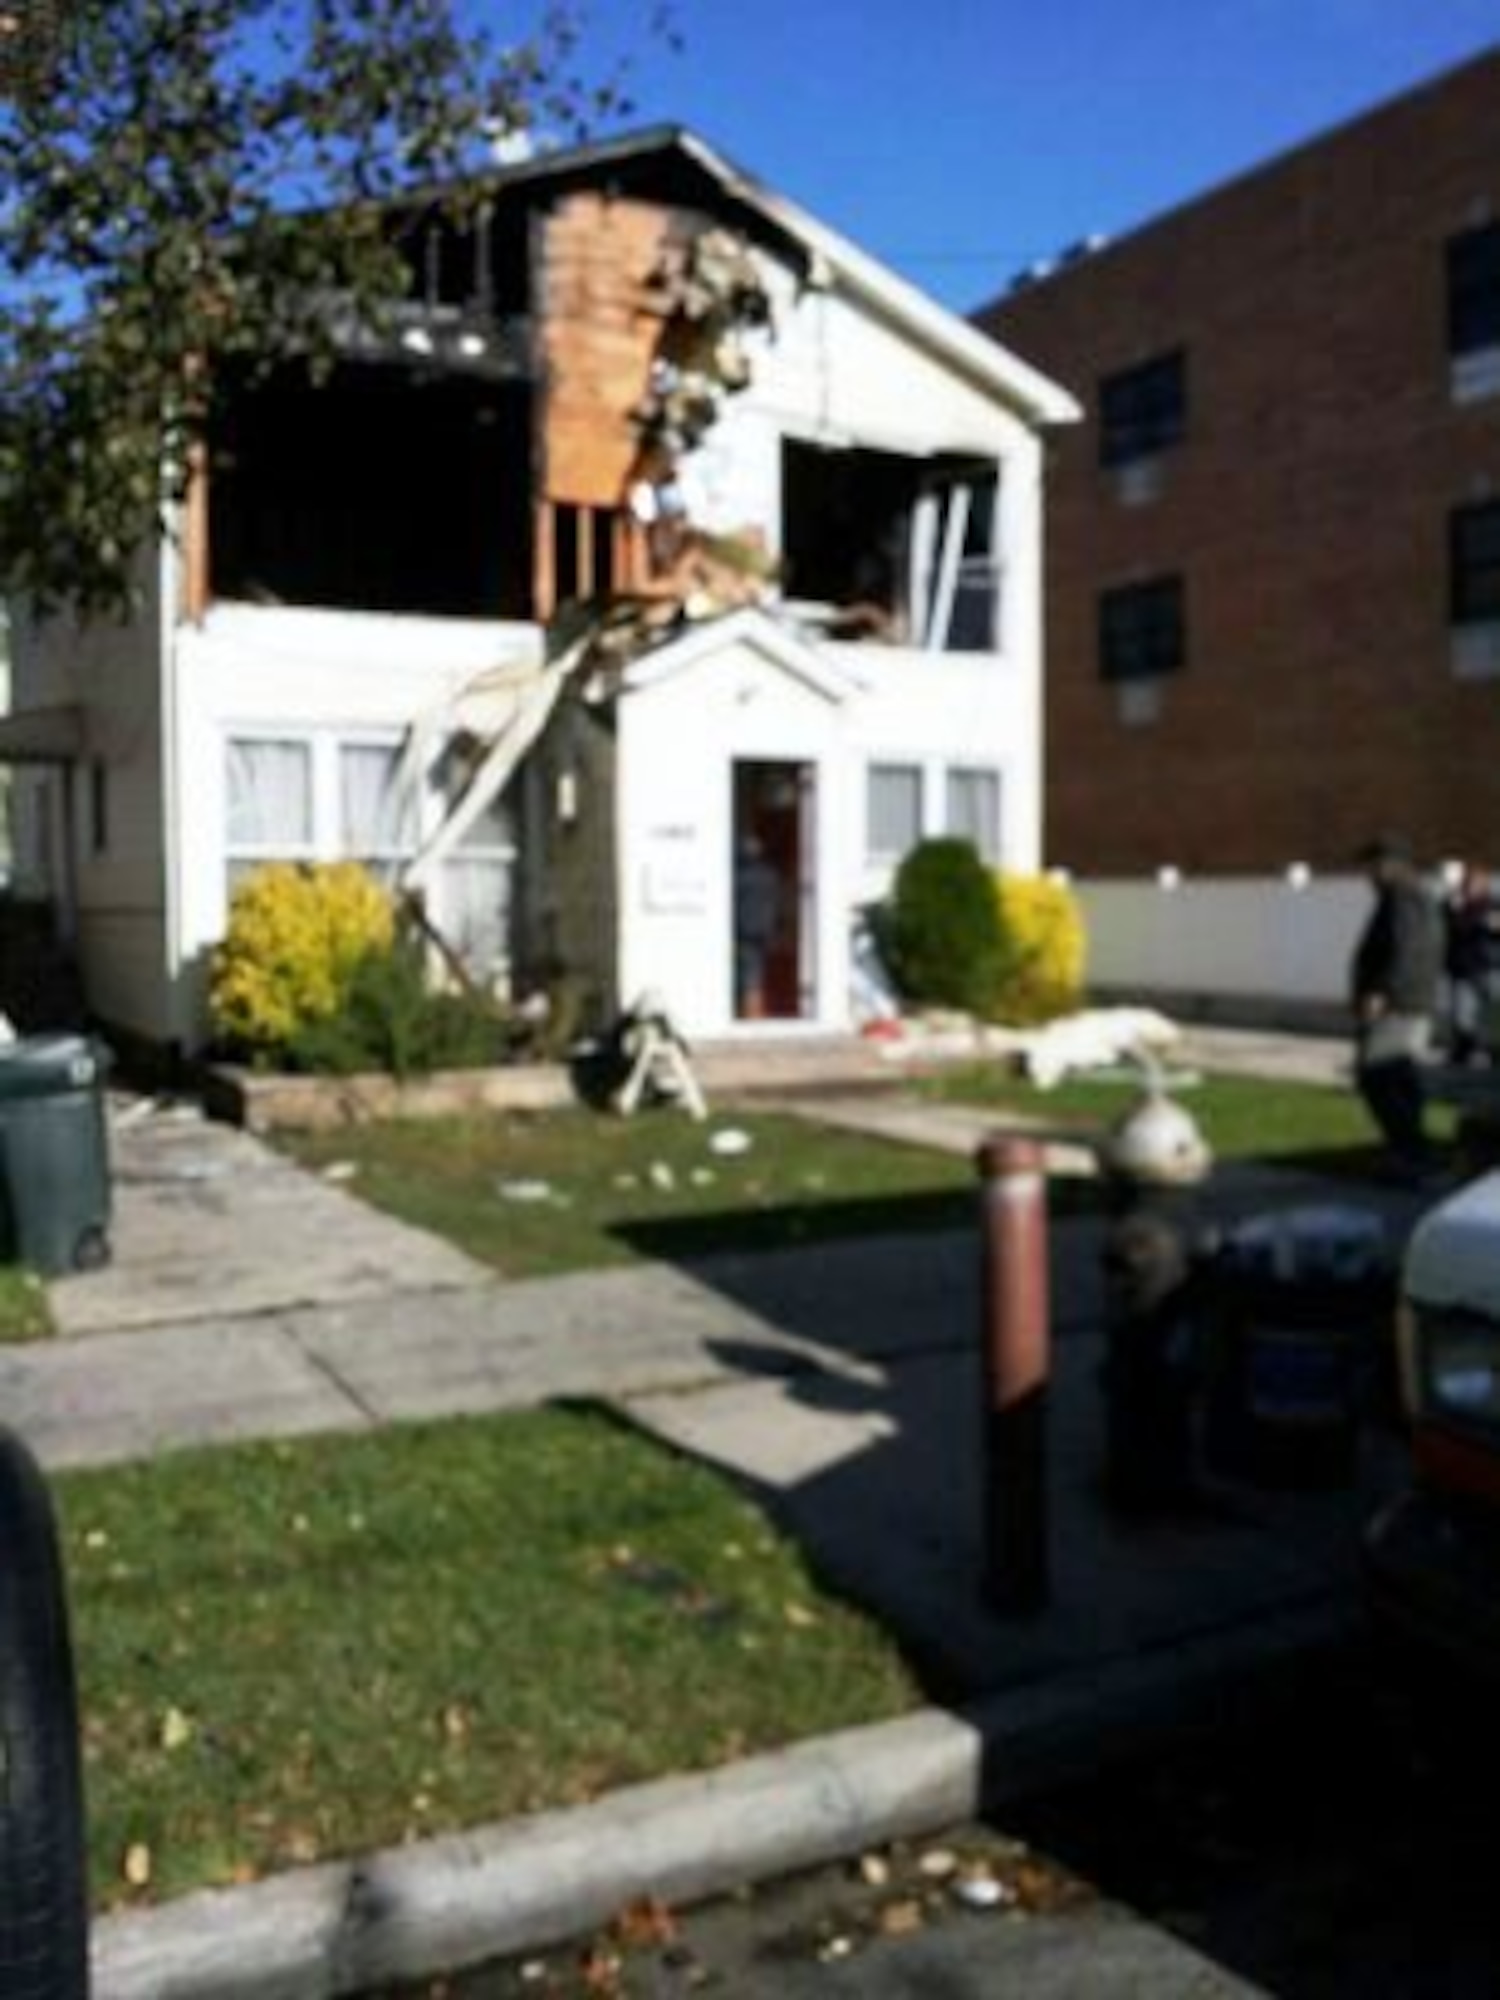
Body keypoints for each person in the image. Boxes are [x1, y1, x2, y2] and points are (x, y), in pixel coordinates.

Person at [1349, 833, 1444, 1179]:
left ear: (1390, 864)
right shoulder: (1412, 895)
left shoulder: (1402, 897)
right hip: (1410, 1002)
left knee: (1379, 1076)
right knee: (1399, 1079)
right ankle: (1410, 1152)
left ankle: (1410, 1153)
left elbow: (1406, 950)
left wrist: (1380, 992)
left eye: (1371, 866)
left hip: (1399, 1005)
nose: (1366, 874)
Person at [1443, 861, 1500, 1066]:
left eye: (1473, 883)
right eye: (1466, 883)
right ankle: (1462, 1051)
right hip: (1463, 969)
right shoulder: (1455, 904)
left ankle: (1494, 1051)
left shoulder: (1492, 904)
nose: (1469, 887)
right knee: (1461, 1015)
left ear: (1483, 885)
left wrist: (1488, 924)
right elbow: (1451, 929)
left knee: (1492, 1014)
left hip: (1489, 967)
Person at [733, 834, 782, 1019]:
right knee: (757, 970)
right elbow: (775, 902)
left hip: (744, 930)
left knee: (748, 971)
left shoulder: (739, 877)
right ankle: (756, 1009)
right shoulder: (770, 875)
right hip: (765, 929)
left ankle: (750, 1012)